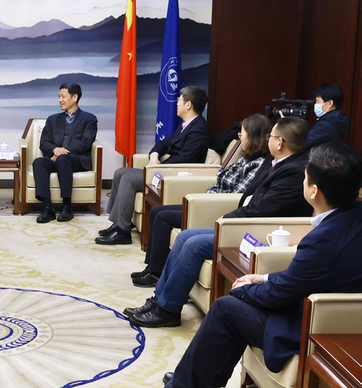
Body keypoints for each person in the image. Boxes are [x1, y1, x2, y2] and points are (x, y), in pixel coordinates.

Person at [162, 142, 362, 388]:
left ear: (314, 191)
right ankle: (200, 380)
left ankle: (184, 385)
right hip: (337, 314)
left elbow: (280, 294)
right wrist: (265, 278)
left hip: (311, 325)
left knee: (226, 308)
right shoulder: (353, 216)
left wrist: (245, 289)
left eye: (305, 177)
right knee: (234, 309)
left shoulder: (322, 240)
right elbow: (308, 275)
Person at [126, 117, 314, 328]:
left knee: (194, 245)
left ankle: (168, 310)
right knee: (185, 236)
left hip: (258, 233)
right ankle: (158, 300)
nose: (267, 139)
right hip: (243, 224)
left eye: (271, 136)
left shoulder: (293, 171)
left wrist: (227, 219)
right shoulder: (276, 160)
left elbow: (262, 211)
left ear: (279, 142)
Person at [132, 114, 271, 287]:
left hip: (213, 207)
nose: (240, 137)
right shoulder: (245, 158)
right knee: (156, 212)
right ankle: (151, 267)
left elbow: (239, 193)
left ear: (254, 137)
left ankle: (156, 273)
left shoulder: (258, 165)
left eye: (242, 134)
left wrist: (205, 201)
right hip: (207, 200)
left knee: (162, 217)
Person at [97, 86, 210, 245]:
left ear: (188, 104)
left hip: (173, 177)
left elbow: (183, 161)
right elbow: (164, 143)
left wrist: (157, 169)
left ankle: (122, 232)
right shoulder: (185, 125)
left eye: (179, 100)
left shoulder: (199, 130)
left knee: (128, 178)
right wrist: (154, 155)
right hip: (164, 170)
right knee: (120, 172)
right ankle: (118, 223)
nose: (176, 103)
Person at [32, 83, 98, 223]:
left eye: (63, 96)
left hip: (76, 159)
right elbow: (44, 142)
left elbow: (86, 143)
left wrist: (63, 152)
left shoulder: (89, 119)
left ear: (74, 97)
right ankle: (48, 208)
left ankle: (67, 206)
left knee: (63, 159)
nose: (60, 100)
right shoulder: (53, 119)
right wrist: (55, 150)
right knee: (39, 162)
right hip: (55, 158)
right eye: (59, 97)